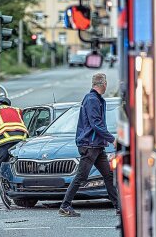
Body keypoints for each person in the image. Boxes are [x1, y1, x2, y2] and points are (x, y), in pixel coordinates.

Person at [58, 73, 120, 217]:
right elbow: (96, 123)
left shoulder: (97, 99)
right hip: (90, 145)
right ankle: (65, 206)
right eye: (106, 83)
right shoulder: (92, 99)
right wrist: (112, 139)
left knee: (108, 175)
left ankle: (118, 207)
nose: (106, 86)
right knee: (81, 176)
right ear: (103, 83)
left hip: (96, 146)